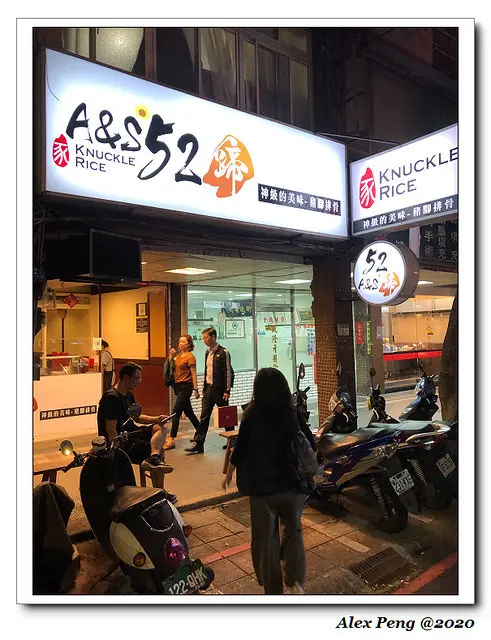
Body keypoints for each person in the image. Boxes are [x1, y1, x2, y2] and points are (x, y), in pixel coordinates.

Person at [222, 368, 308, 595]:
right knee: (293, 532)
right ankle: (295, 581)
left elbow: (240, 449)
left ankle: (271, 587)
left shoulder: (251, 415)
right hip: (290, 485)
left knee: (266, 539)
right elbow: (306, 441)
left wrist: (229, 472)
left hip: (262, 490)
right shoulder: (291, 412)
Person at [97, 361, 178, 503]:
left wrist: (156, 419)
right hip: (124, 441)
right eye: (136, 378)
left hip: (132, 432)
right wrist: (116, 454)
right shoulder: (111, 398)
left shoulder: (128, 395)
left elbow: (137, 417)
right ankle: (159, 492)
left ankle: (153, 457)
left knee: (159, 428)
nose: (138, 382)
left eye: (139, 378)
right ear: (125, 377)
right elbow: (111, 430)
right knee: (160, 450)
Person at [185, 327, 233, 455]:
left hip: (220, 390)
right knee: (204, 416)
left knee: (225, 416)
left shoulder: (223, 352)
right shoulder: (207, 352)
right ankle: (199, 443)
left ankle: (232, 440)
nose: (204, 340)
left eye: (206, 337)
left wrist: (227, 390)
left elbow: (228, 372)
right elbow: (207, 371)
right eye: (203, 338)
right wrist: (204, 388)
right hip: (209, 389)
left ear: (213, 337)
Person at [163, 335, 201, 450]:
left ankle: (171, 439)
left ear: (189, 344)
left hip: (186, 386)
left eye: (183, 341)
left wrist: (196, 389)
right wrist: (170, 357)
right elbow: (171, 368)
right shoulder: (177, 356)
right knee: (189, 413)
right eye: (180, 341)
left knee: (176, 412)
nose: (180, 343)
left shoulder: (190, 357)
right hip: (178, 386)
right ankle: (201, 433)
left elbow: (193, 373)